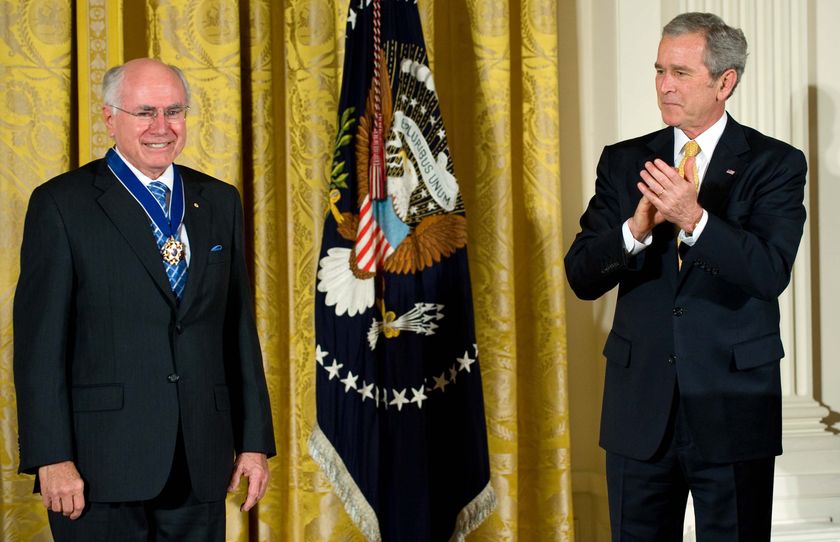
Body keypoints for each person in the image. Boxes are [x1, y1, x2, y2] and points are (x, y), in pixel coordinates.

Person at [565, 12, 806, 541]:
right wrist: (634, 228)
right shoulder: (625, 162)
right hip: (639, 410)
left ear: (725, 82)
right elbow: (581, 276)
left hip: (732, 407)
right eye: (658, 70)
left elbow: (768, 272)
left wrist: (694, 219)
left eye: (680, 72)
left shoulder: (777, 164)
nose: (664, 85)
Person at [13, 58, 276, 541]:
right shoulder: (62, 204)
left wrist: (254, 443)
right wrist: (51, 457)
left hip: (200, 459)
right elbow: (39, 347)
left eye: (174, 111)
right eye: (145, 113)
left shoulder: (218, 200)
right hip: (98, 467)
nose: (162, 127)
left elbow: (238, 330)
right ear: (110, 118)